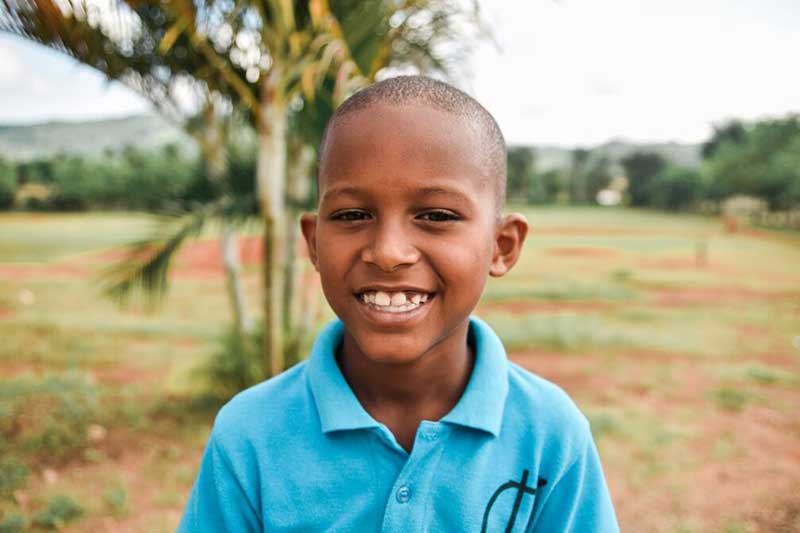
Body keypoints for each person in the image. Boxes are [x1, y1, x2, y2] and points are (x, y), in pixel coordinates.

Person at [178, 75, 619, 532]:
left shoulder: (549, 435)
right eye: (352, 215)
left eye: (436, 216)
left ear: (501, 246)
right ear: (313, 243)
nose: (388, 252)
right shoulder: (250, 435)